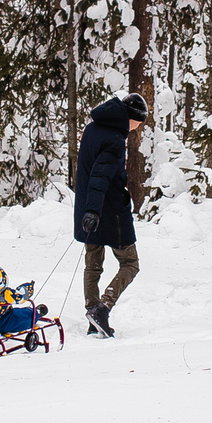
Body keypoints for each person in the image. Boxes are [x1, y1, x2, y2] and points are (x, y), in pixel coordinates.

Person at [75, 92, 148, 337]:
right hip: (109, 209)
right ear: (132, 118)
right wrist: (95, 210)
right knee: (131, 263)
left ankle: (93, 313)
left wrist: (89, 208)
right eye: (139, 122)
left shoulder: (94, 128)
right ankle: (103, 308)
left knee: (92, 263)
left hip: (88, 206)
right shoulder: (115, 138)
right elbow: (100, 176)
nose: (138, 127)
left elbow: (89, 171)